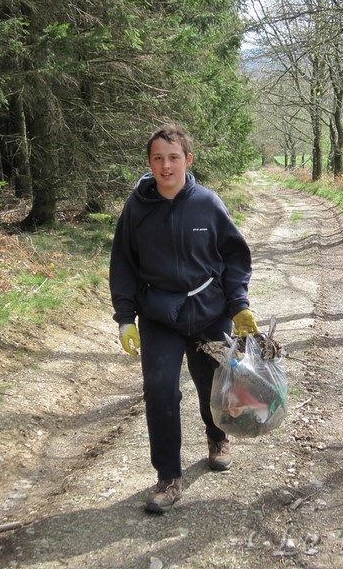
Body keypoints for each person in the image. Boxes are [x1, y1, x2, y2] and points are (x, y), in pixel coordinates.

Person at [109, 124, 259, 513]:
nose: (166, 166)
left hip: (208, 311)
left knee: (213, 385)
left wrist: (239, 304)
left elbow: (234, 258)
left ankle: (217, 437)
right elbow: (123, 265)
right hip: (159, 314)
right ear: (149, 163)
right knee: (160, 390)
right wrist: (125, 318)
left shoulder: (207, 203)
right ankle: (168, 477)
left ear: (188, 160)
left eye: (173, 157)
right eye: (158, 158)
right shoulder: (136, 209)